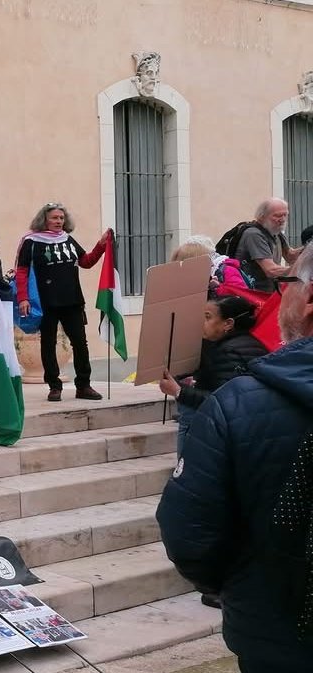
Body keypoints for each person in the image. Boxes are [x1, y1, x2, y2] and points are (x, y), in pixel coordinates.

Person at [157, 247, 313, 672]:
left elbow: (190, 535)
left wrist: (242, 586)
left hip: (281, 637)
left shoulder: (240, 404)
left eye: (288, 284)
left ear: (310, 298)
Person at [15, 203, 110, 402]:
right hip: (45, 302)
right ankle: (54, 386)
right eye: (54, 218)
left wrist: (101, 245)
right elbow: (21, 271)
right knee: (48, 344)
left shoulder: (68, 240)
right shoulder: (31, 242)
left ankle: (84, 386)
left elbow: (86, 261)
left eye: (61, 218)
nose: (59, 221)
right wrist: (23, 298)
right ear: (44, 220)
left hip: (72, 300)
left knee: (80, 343)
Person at [158, 294, 268, 450]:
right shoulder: (242, 343)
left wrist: (179, 391)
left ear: (228, 324)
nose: (200, 323)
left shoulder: (229, 352)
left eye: (207, 317)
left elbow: (225, 403)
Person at [234, 198, 303, 292]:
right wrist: (302, 270)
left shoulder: (275, 231)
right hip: (254, 293)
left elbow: (290, 256)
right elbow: (271, 271)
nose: (282, 219)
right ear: (262, 216)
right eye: (277, 216)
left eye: (285, 215)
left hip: (271, 291)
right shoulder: (254, 234)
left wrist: (308, 246)